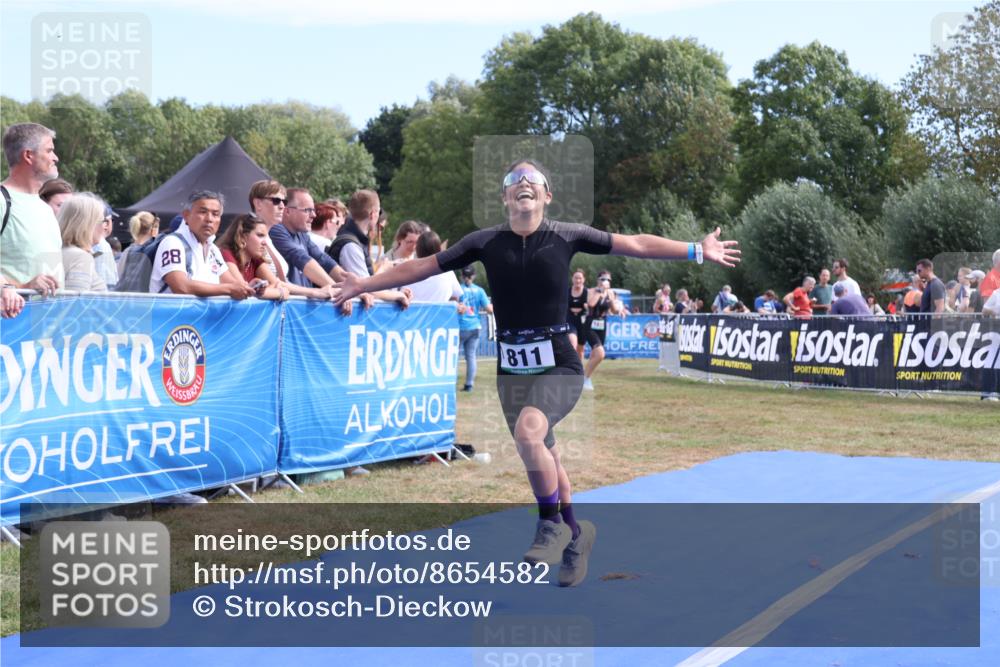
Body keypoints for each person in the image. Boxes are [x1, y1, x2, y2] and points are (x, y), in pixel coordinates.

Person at [334, 159, 739, 587]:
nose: (523, 183)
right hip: (512, 370)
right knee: (547, 457)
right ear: (506, 197)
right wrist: (362, 284)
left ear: (547, 196)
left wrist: (696, 249)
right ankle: (577, 536)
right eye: (514, 180)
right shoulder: (484, 242)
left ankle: (550, 524)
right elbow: (421, 266)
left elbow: (634, 244)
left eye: (534, 180)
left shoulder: (568, 234)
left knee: (530, 434)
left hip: (560, 362)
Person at [148, 190, 255, 299]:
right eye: (203, 212)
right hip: (172, 316)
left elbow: (231, 282)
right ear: (186, 215)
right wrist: (229, 289)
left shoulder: (213, 250)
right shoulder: (172, 243)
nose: (209, 219)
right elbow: (181, 287)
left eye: (215, 214)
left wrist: (249, 288)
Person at [0, 122, 63, 294]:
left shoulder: (45, 208)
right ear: (28, 155)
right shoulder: (2, 200)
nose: (56, 157)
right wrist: (22, 287)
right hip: (12, 320)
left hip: (50, 318)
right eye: (49, 150)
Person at [327, 190, 409, 308]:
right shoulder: (351, 245)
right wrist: (398, 295)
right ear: (373, 214)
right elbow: (365, 287)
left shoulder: (354, 240)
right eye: (379, 211)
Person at [268, 187, 346, 298]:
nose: (313, 215)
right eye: (307, 210)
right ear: (288, 211)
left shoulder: (302, 235)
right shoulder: (276, 230)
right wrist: (339, 291)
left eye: (313, 210)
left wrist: (355, 288)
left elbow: (324, 261)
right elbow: (301, 258)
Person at [58, 193, 108, 292]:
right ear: (87, 225)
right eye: (102, 221)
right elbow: (76, 303)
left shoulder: (61, 250)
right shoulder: (80, 257)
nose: (105, 227)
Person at [457, 265, 493, 392]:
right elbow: (489, 310)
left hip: (460, 327)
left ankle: (449, 382)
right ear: (474, 276)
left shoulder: (458, 289)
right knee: (471, 356)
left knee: (453, 356)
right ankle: (469, 385)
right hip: (475, 327)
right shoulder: (480, 290)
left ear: (462, 276)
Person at [248, 179, 290, 281]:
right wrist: (314, 292)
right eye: (276, 201)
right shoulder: (249, 236)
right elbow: (274, 283)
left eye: (284, 202)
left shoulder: (267, 237)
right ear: (258, 203)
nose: (282, 206)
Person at [403, 230, 461, 302]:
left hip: (414, 312)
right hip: (440, 312)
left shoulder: (407, 271)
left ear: (417, 250)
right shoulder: (447, 272)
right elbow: (455, 298)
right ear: (439, 248)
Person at [91, 205, 119, 288]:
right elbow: (105, 280)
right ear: (105, 224)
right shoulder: (101, 245)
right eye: (112, 220)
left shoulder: (99, 244)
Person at [566, 269, 589, 360]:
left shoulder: (587, 292)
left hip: (582, 322)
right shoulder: (566, 291)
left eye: (580, 278)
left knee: (580, 349)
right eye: (576, 278)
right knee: (572, 344)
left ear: (583, 279)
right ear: (572, 279)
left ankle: (579, 371)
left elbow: (593, 306)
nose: (578, 280)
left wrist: (588, 307)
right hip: (570, 320)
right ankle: (570, 368)